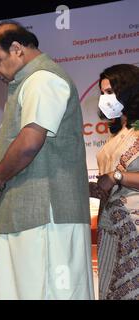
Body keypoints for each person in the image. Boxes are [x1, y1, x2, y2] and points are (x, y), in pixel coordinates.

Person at [0, 21, 94, 299]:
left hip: (47, 215)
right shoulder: (29, 82)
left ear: (16, 49)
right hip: (31, 215)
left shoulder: (43, 79)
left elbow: (29, 142)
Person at [92, 64, 139, 300]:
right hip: (110, 227)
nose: (104, 98)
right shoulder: (116, 135)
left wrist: (116, 177)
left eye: (110, 92)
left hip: (134, 227)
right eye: (102, 93)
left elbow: (116, 177)